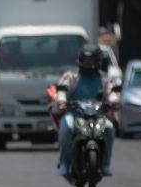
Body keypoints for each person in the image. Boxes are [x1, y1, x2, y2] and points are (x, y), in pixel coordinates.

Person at [49, 44, 120, 178]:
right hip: (75, 114)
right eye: (85, 60)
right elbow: (61, 89)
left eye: (91, 60)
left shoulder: (104, 78)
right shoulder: (71, 76)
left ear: (98, 61)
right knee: (66, 127)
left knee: (109, 128)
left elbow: (111, 92)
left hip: (97, 115)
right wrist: (62, 100)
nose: (88, 64)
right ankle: (64, 162)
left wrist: (113, 100)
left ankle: (105, 163)